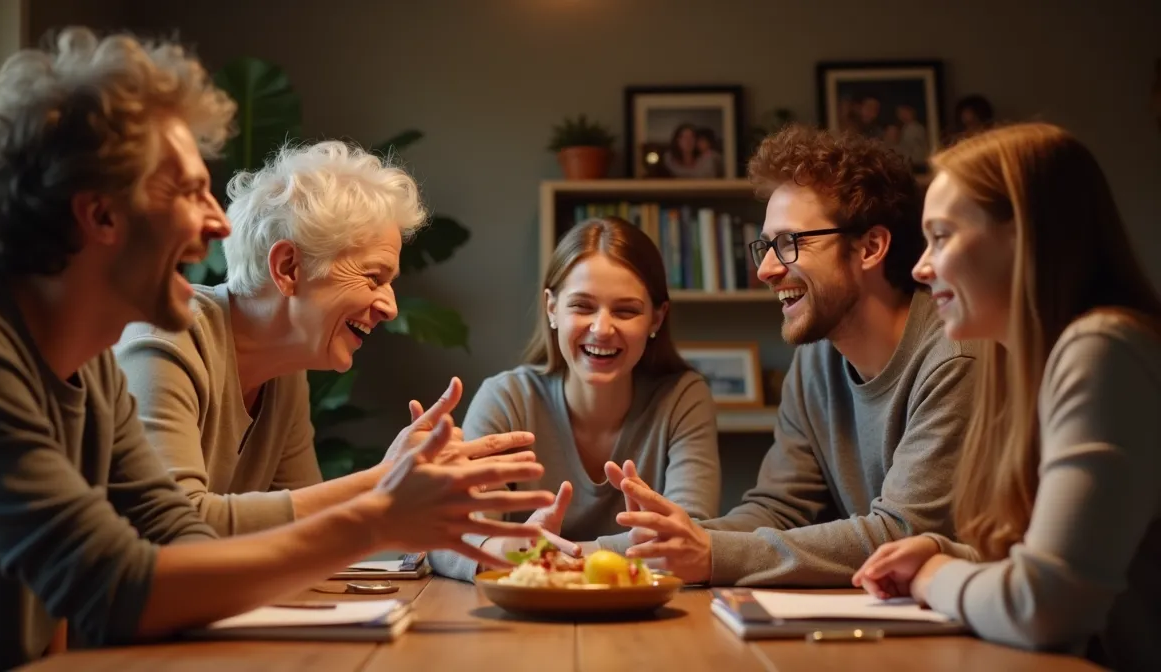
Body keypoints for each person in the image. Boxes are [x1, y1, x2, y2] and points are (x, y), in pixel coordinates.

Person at [0, 28, 552, 669]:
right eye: (189, 191)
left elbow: (176, 536)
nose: (219, 222)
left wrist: (389, 514)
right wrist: (376, 513)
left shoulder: (87, 363)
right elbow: (115, 585)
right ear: (101, 213)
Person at [606, 125, 977, 586]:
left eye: (790, 243)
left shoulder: (953, 358)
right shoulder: (816, 360)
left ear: (871, 247)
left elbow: (903, 533)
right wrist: (599, 554)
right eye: (765, 245)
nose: (765, 269)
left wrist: (710, 553)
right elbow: (777, 510)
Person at [852, 123, 1161, 670]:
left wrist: (932, 575)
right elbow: (1068, 554)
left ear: (1029, 234)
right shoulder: (1025, 364)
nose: (921, 267)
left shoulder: (1103, 348)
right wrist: (945, 552)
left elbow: (1043, 605)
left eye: (941, 236)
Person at [114, 140, 535, 536]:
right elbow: (175, 527)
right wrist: (385, 482)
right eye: (374, 277)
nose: (389, 306)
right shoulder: (165, 342)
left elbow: (299, 537)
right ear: (289, 268)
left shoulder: (284, 372)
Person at [430, 217, 722, 581]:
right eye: (583, 306)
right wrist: (504, 549)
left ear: (656, 319)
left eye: (626, 310)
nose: (601, 328)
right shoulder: (506, 398)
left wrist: (548, 554)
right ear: (552, 308)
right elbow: (448, 535)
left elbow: (685, 540)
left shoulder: (683, 398)